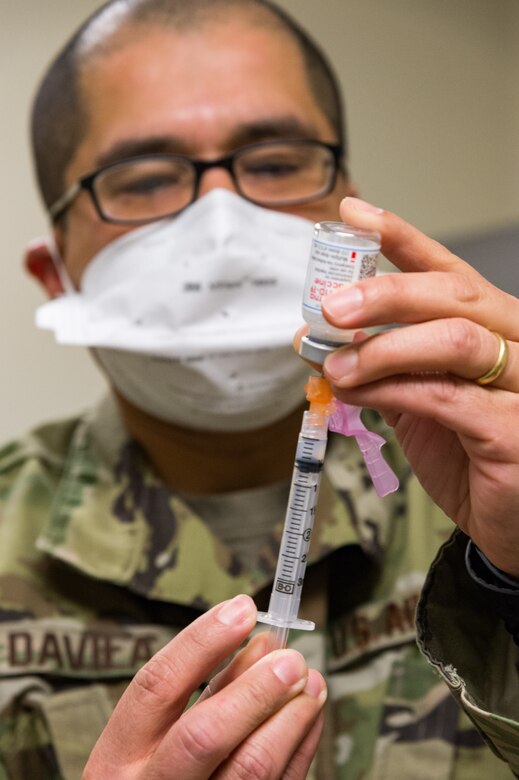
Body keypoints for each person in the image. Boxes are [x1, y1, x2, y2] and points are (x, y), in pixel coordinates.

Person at [1, 0, 518, 777]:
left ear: (351, 231)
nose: (223, 228)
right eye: (145, 178)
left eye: (275, 164)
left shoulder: (487, 484)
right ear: (56, 273)